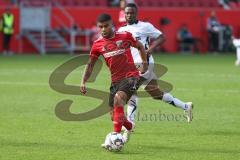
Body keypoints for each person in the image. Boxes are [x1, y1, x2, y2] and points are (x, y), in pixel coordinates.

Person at [118, 3, 193, 127]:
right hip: (130, 66)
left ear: (136, 13)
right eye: (127, 13)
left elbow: (162, 37)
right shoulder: (121, 30)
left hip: (144, 63)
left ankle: (129, 126)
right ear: (124, 14)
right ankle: (185, 106)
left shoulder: (145, 26)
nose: (129, 15)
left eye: (131, 12)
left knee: (131, 92)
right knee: (156, 94)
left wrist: (150, 49)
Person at [80, 13, 148, 148]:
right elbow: (90, 65)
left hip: (132, 76)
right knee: (114, 116)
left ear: (112, 24)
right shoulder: (97, 44)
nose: (104, 29)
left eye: (106, 26)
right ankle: (129, 126)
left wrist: (144, 63)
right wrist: (83, 81)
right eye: (101, 27)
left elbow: (140, 46)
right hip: (115, 81)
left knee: (118, 99)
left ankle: (115, 137)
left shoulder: (125, 36)